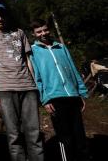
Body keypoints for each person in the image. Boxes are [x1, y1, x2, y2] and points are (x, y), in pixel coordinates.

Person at [0, 3, 44, 161]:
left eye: (2, 14)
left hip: (27, 86)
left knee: (34, 132)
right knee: (13, 134)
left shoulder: (19, 32)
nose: (0, 18)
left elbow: (27, 59)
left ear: (6, 15)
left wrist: (35, 83)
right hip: (5, 89)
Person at [29, 19, 89, 161]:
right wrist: (45, 99)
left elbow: (73, 70)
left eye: (45, 30)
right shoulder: (33, 51)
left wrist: (81, 92)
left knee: (79, 133)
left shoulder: (60, 47)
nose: (43, 33)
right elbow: (36, 77)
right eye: (39, 31)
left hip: (72, 95)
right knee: (65, 136)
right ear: (34, 34)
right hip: (54, 98)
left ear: (49, 30)